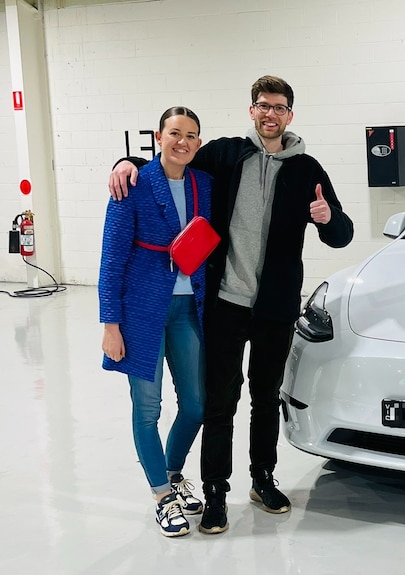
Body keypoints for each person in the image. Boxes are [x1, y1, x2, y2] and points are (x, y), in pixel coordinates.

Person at [109, 75, 354, 535]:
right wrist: (127, 162)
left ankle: (263, 478)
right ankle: (216, 490)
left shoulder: (308, 170)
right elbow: (170, 161)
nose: (270, 114)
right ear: (252, 110)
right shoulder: (224, 153)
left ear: (290, 116)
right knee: (220, 402)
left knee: (266, 398)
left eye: (279, 107)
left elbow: (341, 236)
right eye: (263, 105)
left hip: (276, 307)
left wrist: (329, 218)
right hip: (224, 302)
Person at [99, 106, 213, 537]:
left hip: (189, 309)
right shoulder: (134, 183)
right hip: (141, 312)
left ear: (199, 143)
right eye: (173, 133)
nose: (181, 142)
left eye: (190, 135)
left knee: (197, 404)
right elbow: (111, 259)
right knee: (148, 407)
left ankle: (172, 471)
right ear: (157, 136)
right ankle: (161, 495)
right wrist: (111, 324)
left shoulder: (206, 184)